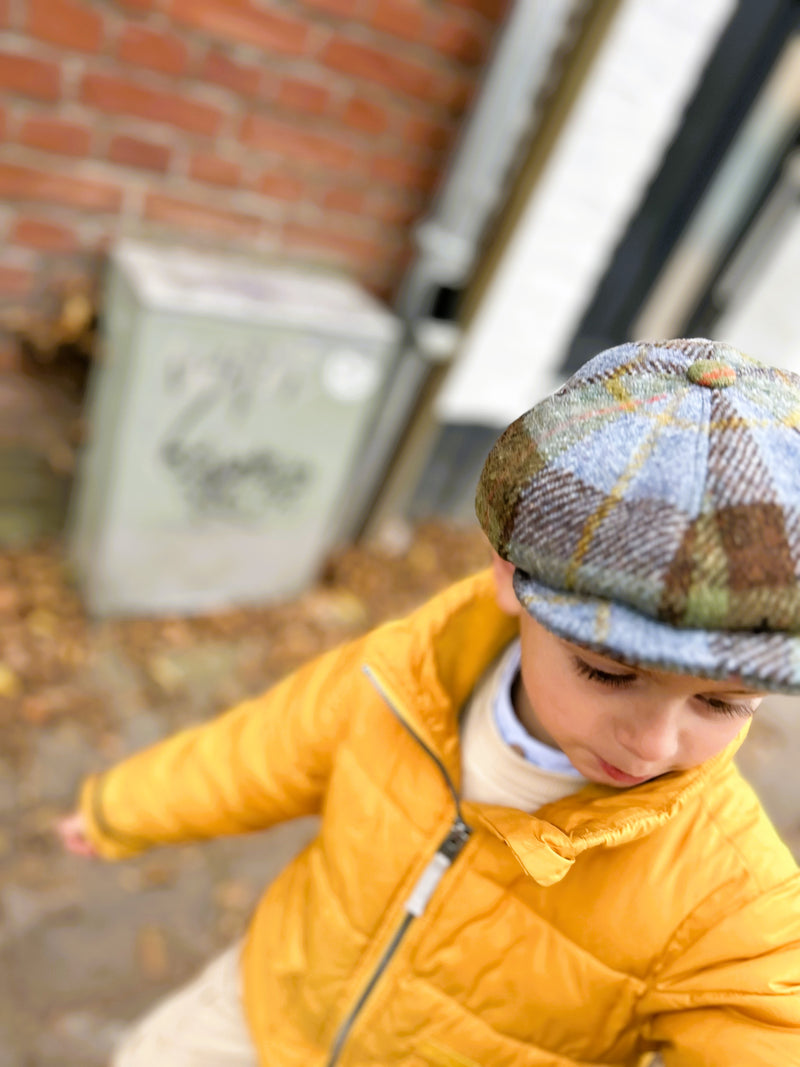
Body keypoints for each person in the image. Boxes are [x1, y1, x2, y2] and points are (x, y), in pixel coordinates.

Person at [59, 338, 800, 1066]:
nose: (652, 744)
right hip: (270, 1002)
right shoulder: (400, 677)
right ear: (509, 577)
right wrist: (122, 807)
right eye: (607, 673)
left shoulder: (730, 903)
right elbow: (261, 751)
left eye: (722, 704)